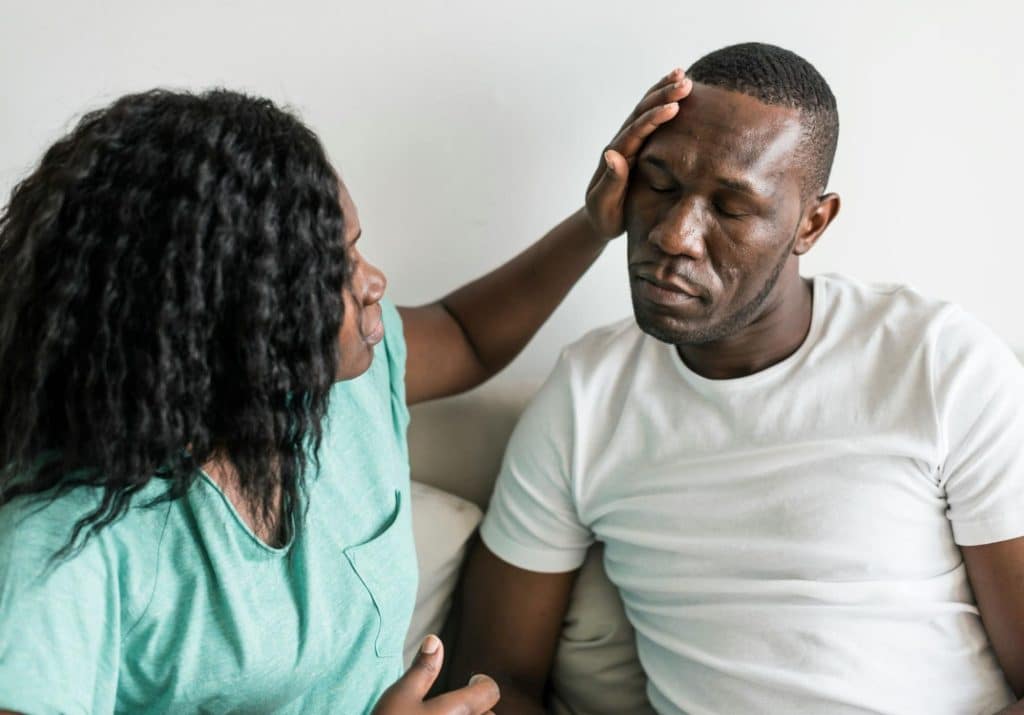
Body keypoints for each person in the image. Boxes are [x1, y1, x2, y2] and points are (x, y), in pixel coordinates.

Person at [0, 71, 692, 714]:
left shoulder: (321, 382)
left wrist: (593, 225)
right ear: (225, 311)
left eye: (357, 248)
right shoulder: (63, 541)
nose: (374, 281)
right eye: (334, 266)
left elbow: (466, 334)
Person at [453, 42, 1024, 715]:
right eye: (659, 183)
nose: (674, 235)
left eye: (730, 207)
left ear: (812, 221)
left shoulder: (936, 361)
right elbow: (492, 682)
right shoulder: (587, 396)